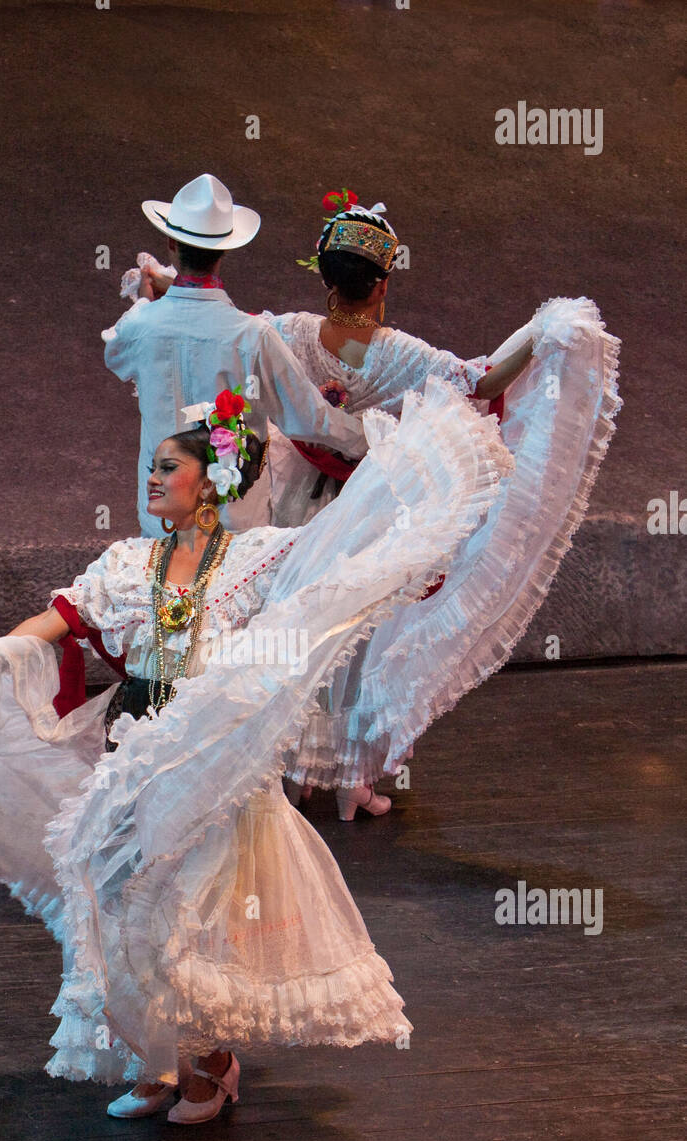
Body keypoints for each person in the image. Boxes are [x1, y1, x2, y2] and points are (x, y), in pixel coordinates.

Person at [0, 378, 513, 1124]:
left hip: (214, 751)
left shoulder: (258, 557)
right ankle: (155, 1060)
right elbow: (61, 619)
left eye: (169, 468)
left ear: (210, 485)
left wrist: (422, 472)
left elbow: (347, 552)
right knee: (119, 897)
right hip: (136, 742)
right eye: (154, 466)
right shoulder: (128, 565)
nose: (153, 477)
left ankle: (214, 1064)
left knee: (190, 908)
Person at [240, 194, 621, 818]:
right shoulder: (400, 356)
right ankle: (344, 780)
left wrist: (172, 282)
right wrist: (540, 337)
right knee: (352, 635)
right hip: (363, 508)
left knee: (293, 626)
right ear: (382, 282)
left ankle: (284, 769)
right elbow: (480, 381)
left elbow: (232, 325)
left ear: (324, 274)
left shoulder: (286, 333)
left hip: (293, 499)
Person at [101, 173, 368, 539]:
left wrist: (148, 301)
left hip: (163, 513)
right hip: (234, 518)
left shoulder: (139, 325)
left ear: (171, 245)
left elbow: (116, 355)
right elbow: (309, 419)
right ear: (225, 251)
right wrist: (374, 438)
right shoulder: (253, 337)